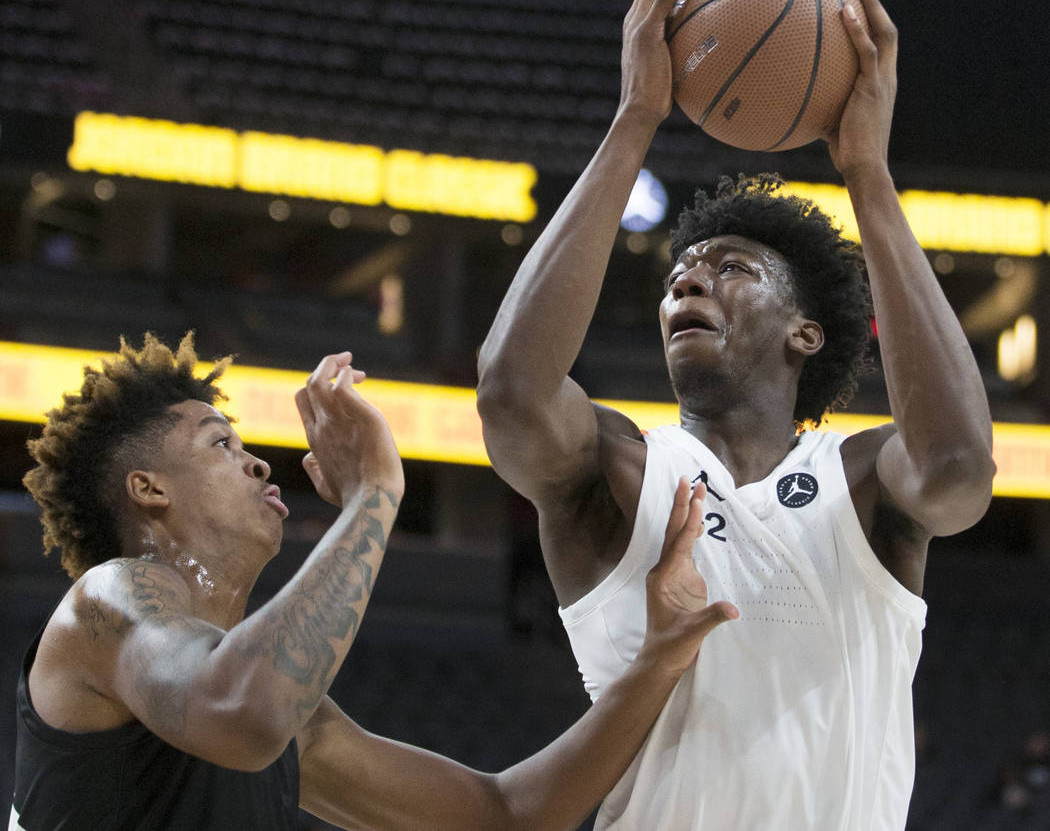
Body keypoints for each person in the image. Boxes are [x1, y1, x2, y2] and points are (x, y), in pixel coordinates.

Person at [476, 0, 995, 831]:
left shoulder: (862, 482)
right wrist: (634, 117)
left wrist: (868, 174)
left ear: (807, 332)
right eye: (678, 273)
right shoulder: (624, 473)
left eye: (730, 267)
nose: (687, 280)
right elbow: (515, 396)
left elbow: (957, 464)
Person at [10, 332, 738, 831]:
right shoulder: (103, 604)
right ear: (148, 489)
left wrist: (659, 658)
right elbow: (241, 712)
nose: (260, 464)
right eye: (221, 445)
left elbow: (505, 816)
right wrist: (375, 493)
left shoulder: (281, 707)